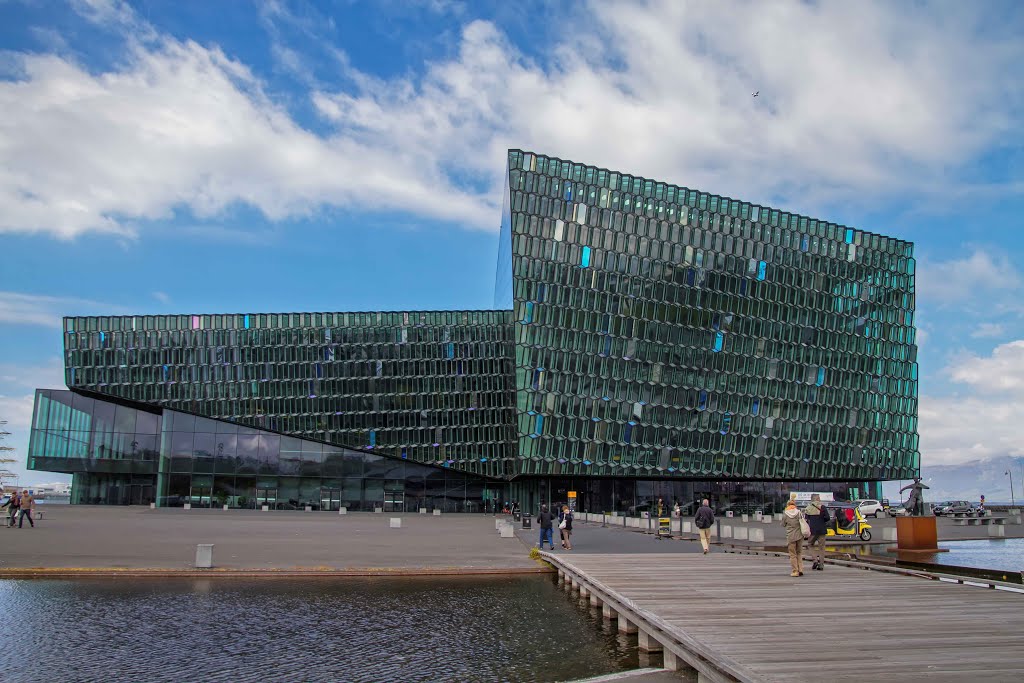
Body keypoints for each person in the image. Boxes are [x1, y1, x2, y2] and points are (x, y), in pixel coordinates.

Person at [804, 494, 831, 571]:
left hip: (813, 530)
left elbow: (806, 520)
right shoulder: (822, 507)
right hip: (822, 530)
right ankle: (821, 564)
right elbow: (828, 518)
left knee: (810, 544)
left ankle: (815, 560)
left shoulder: (808, 508)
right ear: (818, 499)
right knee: (821, 547)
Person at [781, 499, 804, 577]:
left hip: (791, 536)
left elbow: (783, 524)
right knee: (799, 553)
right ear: (795, 505)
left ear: (788, 505)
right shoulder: (799, 512)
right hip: (800, 535)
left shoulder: (785, 514)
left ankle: (795, 571)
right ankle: (800, 569)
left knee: (792, 554)